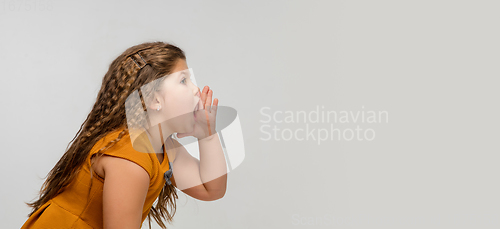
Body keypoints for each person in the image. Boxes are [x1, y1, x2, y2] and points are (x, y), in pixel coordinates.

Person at [21, 41, 228, 229]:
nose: (196, 90)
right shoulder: (129, 157)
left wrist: (207, 134)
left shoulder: (165, 147)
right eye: (183, 81)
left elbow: (211, 189)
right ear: (154, 99)